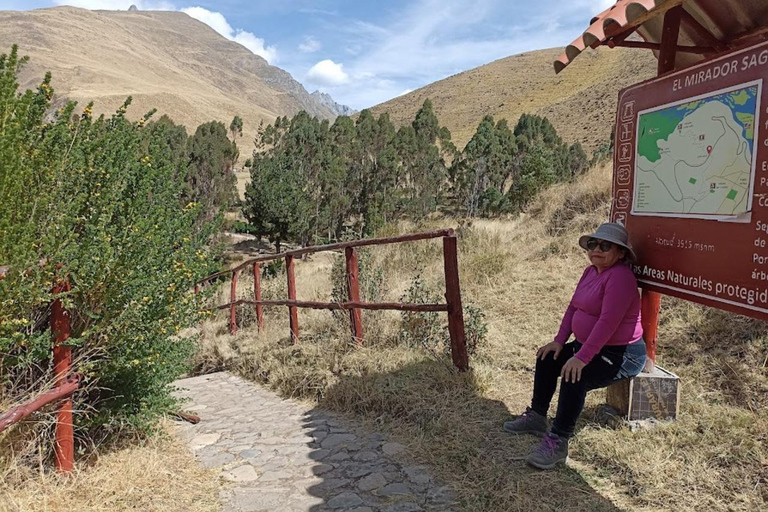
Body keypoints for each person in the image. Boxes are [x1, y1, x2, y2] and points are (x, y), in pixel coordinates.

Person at [504, 222, 647, 470]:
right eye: (593, 244)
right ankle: (537, 417)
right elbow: (574, 307)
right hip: (589, 345)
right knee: (547, 358)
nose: (597, 250)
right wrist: (560, 341)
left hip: (621, 354)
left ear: (621, 252)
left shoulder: (621, 278)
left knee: (574, 375)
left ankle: (558, 440)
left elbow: (608, 322)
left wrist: (581, 357)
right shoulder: (590, 272)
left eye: (605, 245)